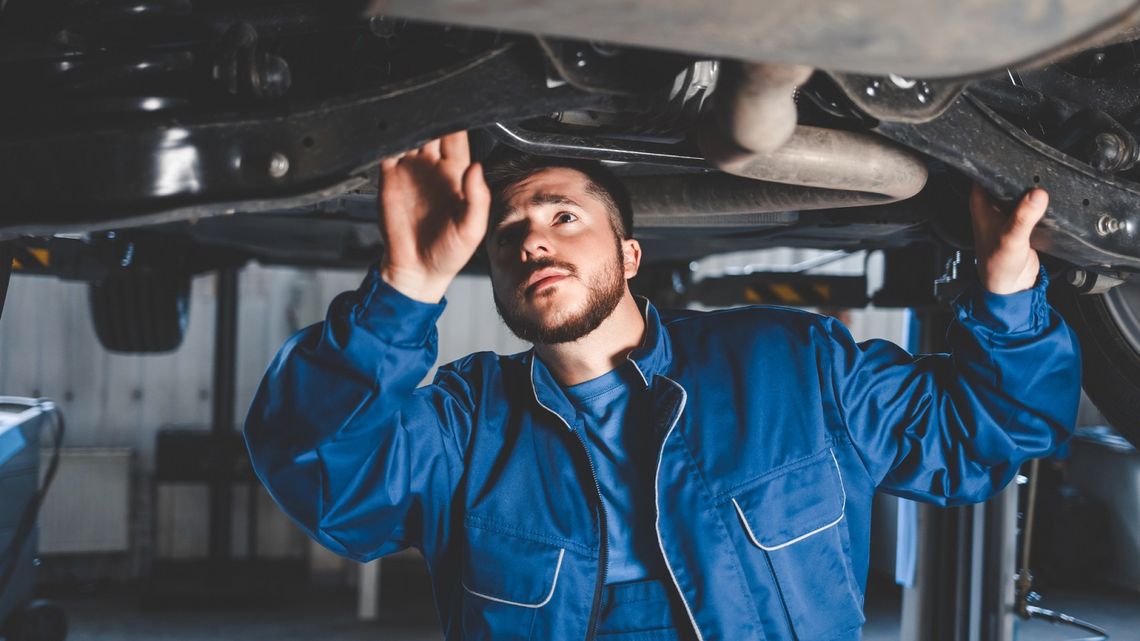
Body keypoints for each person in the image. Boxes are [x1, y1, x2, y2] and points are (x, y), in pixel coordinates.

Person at [244, 130, 1081, 641]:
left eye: (564, 215)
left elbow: (993, 430)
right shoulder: (467, 425)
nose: (534, 241)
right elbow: (326, 473)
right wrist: (405, 288)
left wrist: (1007, 288)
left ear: (631, 255)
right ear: (489, 275)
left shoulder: (794, 367)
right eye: (508, 235)